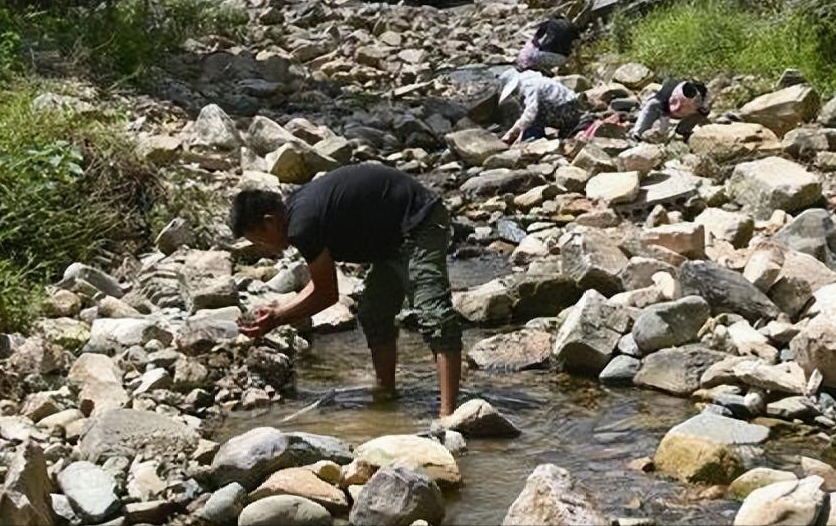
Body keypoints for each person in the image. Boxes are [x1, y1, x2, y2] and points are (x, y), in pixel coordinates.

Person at [229, 164, 463, 418]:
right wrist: (279, 312)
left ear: (269, 222)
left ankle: (447, 416)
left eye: (261, 241)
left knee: (434, 315)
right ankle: (386, 395)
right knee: (374, 313)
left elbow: (327, 294)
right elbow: (321, 283)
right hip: (392, 241)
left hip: (421, 223)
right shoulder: (296, 211)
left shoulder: (302, 224)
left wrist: (278, 318)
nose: (267, 249)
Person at [499, 68, 583, 145]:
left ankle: (532, 139)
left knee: (536, 111)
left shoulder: (529, 86)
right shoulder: (531, 81)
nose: (514, 94)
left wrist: (513, 131)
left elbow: (530, 113)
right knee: (531, 111)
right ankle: (532, 137)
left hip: (568, 113)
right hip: (568, 110)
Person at [630, 78, 710, 142]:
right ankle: (639, 133)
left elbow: (705, 110)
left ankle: (683, 131)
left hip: (689, 112)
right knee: (653, 105)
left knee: (703, 113)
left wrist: (699, 107)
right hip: (665, 107)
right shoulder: (667, 92)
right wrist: (663, 134)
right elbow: (664, 118)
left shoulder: (703, 96)